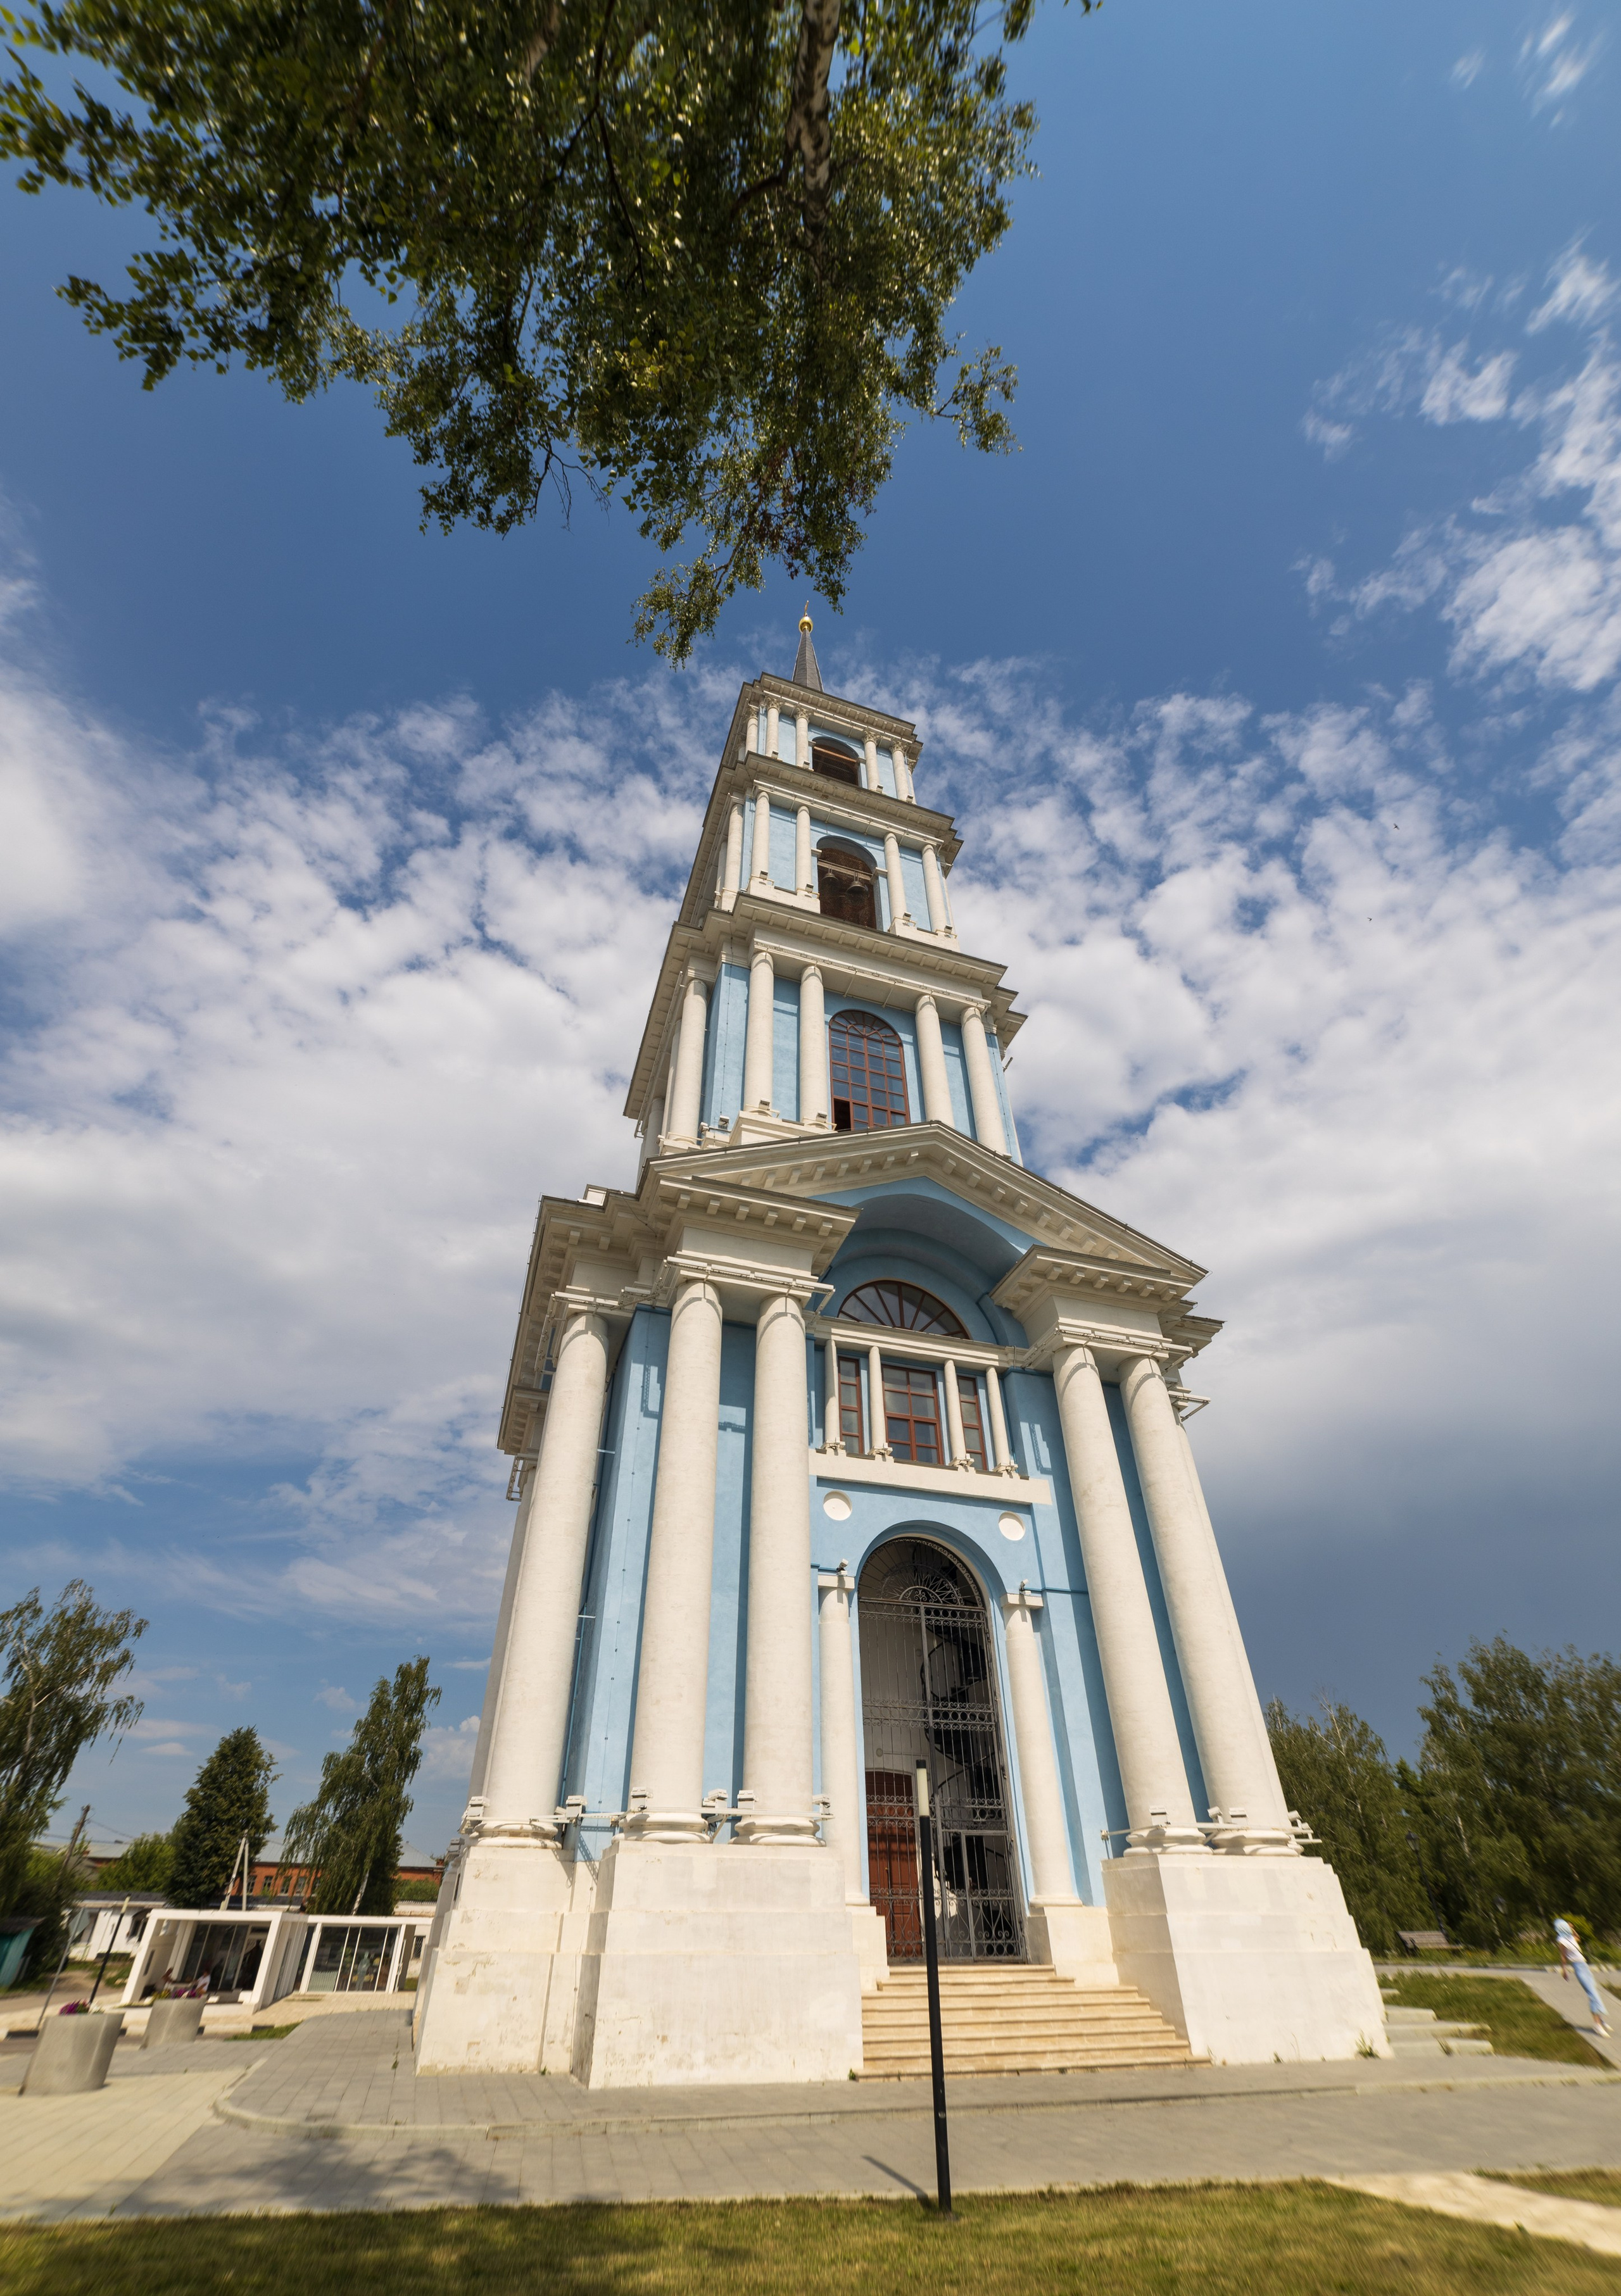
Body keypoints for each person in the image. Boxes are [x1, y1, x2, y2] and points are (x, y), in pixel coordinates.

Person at [1554, 1917, 1612, 2038]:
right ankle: (1597, 2025)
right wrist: (1564, 1970)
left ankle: (1600, 2021)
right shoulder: (1561, 1941)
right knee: (1592, 1995)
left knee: (1595, 1993)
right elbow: (1563, 1957)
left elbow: (1578, 1939)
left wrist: (1572, 1930)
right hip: (1578, 1968)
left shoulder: (1570, 1937)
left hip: (1585, 1966)